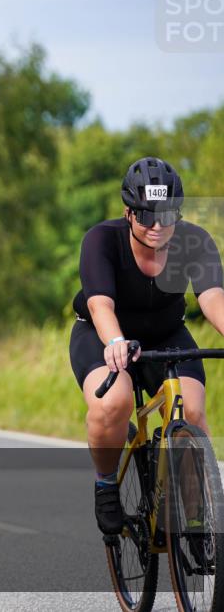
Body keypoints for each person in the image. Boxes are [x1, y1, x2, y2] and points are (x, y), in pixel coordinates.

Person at [70, 156, 224, 540]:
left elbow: (213, 298)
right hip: (105, 336)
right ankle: (106, 483)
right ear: (128, 212)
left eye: (168, 215)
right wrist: (116, 341)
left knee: (192, 410)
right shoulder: (102, 240)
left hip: (167, 336)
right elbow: (99, 303)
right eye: (146, 216)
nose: (158, 226)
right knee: (113, 404)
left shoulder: (194, 241)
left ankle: (193, 513)